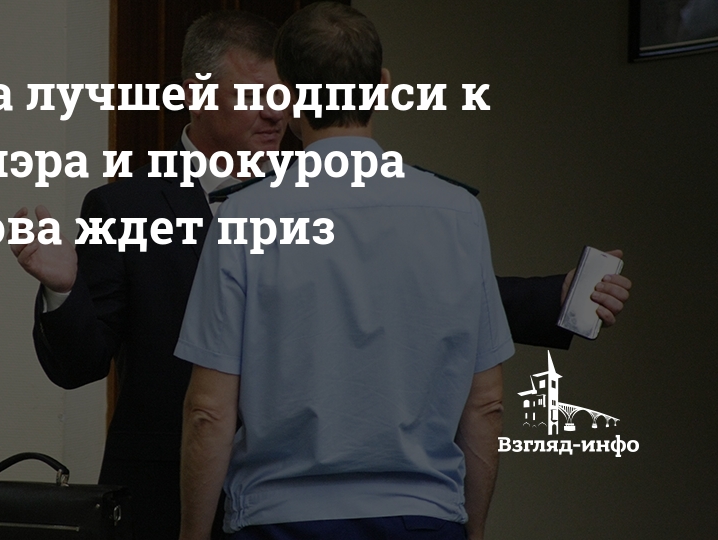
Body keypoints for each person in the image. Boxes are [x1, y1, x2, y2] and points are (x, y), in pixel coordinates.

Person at [11, 9, 631, 540]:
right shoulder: (124, 206)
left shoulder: (311, 190)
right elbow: (79, 365)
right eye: (253, 96)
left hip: (288, 502)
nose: (274, 115)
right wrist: (63, 289)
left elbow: (406, 290)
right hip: (171, 502)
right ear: (195, 96)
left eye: (282, 95)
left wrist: (553, 297)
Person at [174, 4, 588, 539]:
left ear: (290, 96)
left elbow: (208, 412)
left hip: (280, 520)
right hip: (423, 517)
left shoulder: (244, 215)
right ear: (383, 87)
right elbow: (486, 404)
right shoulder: (458, 212)